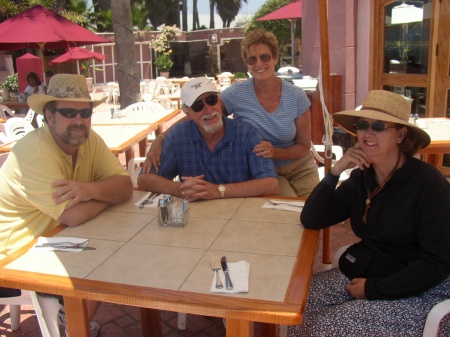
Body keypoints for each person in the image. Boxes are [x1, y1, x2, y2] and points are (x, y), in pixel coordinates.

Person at [289, 90, 450, 337]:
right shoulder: (362, 177)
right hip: (372, 269)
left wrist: (374, 289)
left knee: (326, 327)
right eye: (363, 125)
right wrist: (334, 173)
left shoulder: (428, 184)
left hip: (422, 288)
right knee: (297, 303)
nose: (368, 133)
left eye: (378, 126)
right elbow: (312, 218)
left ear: (400, 134)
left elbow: (436, 263)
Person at [0, 74, 134, 336]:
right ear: (49, 116)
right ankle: (73, 325)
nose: (79, 120)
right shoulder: (36, 154)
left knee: (122, 250)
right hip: (16, 252)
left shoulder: (88, 139)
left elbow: (126, 186)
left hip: (56, 236)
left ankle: (73, 321)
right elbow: (73, 215)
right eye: (68, 112)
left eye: (85, 112)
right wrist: (106, 196)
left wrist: (89, 190)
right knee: (109, 261)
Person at [145, 28, 319, 197]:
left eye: (264, 57)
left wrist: (275, 152)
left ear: (275, 58)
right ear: (247, 64)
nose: (259, 64)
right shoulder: (237, 93)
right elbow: (202, 114)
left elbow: (304, 146)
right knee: (290, 215)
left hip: (298, 166)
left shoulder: (296, 96)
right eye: (252, 60)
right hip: (262, 170)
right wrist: (161, 139)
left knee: (317, 212)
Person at [137, 77, 279, 200]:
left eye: (211, 100)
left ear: (219, 101)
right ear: (188, 113)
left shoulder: (247, 133)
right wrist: (180, 189)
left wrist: (217, 191)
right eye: (198, 106)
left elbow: (270, 184)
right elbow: (144, 179)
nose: (208, 109)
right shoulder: (179, 136)